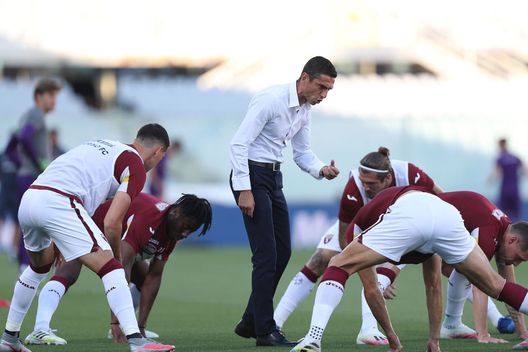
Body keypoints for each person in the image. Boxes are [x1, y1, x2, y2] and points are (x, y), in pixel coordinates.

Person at [0, 123, 176, 352]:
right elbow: (112, 222)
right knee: (112, 269)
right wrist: (116, 257)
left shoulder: (105, 145)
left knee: (38, 269)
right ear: (158, 152)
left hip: (32, 198)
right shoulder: (135, 167)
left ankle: (10, 338)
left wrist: (63, 239)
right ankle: (137, 341)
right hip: (59, 202)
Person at [292, 185, 528, 352]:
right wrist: (433, 342)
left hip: (412, 211)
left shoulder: (358, 228)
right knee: (496, 285)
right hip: (446, 214)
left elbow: (372, 291)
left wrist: (393, 340)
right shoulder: (485, 225)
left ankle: (313, 340)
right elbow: (434, 286)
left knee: (338, 265)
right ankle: (449, 327)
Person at [273, 147, 442, 345]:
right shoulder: (354, 188)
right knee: (321, 259)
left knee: (446, 265)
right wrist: (366, 265)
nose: (366, 187)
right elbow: (346, 237)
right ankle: (275, 323)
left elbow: (442, 199)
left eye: (371, 183)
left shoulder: (411, 175)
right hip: (359, 226)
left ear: (388, 178)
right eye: (363, 182)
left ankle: (449, 324)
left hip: (400, 226)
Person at [229, 56, 340, 347]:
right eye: (321, 87)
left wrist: (321, 169)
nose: (324, 95)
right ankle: (265, 330)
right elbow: (238, 143)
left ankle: (250, 321)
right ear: (304, 78)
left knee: (284, 252)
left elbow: (302, 152)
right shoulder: (270, 100)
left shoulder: (304, 109)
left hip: (273, 178)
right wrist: (244, 189)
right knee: (266, 255)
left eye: (328, 90)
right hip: (252, 175)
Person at [23, 192, 212, 345]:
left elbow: (154, 278)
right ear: (175, 213)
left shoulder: (172, 232)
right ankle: (40, 329)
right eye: (186, 227)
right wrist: (114, 322)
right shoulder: (149, 218)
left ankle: (132, 327)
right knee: (68, 273)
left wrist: (141, 327)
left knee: (144, 277)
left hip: (114, 241)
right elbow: (122, 268)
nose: (185, 233)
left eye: (191, 231)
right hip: (89, 225)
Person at [358, 191, 528, 345]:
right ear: (513, 240)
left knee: (463, 271)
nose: (516, 263)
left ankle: (452, 325)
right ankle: (368, 329)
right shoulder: (488, 231)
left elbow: (508, 286)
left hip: (433, 225)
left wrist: (522, 331)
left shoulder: (504, 230)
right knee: (388, 270)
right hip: (419, 219)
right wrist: (482, 334)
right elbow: (481, 286)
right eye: (519, 258)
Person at [13, 78, 62, 272]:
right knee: (34, 227)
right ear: (39, 96)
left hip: (25, 176)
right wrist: (40, 164)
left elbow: (16, 143)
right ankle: (27, 272)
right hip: (32, 177)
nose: (54, 101)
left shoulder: (29, 115)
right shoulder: (36, 114)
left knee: (28, 227)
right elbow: (24, 138)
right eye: (51, 95)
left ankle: (23, 271)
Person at [489, 138, 525, 223]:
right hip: (515, 189)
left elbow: (496, 173)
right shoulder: (515, 157)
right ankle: (521, 233)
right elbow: (524, 170)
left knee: (502, 214)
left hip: (505, 189)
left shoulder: (500, 159)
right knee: (517, 214)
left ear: (500, 146)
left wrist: (490, 179)